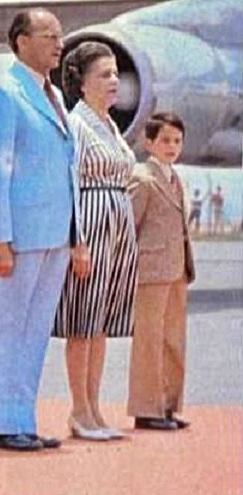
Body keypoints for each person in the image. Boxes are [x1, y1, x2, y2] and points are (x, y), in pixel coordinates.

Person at [0, 9, 81, 452]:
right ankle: (0, 422)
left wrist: (75, 234)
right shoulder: (6, 91)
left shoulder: (53, 94)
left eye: (60, 36)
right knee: (8, 327)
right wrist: (1, 238)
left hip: (56, 231)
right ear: (21, 41)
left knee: (36, 330)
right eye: (48, 36)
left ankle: (22, 418)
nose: (58, 44)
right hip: (21, 233)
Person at [53, 41, 138, 441]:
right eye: (104, 75)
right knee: (83, 320)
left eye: (115, 74)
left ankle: (94, 408)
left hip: (117, 222)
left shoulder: (109, 125)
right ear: (82, 83)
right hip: (91, 220)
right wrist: (77, 240)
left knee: (100, 321)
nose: (114, 81)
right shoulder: (76, 124)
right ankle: (79, 410)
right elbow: (68, 182)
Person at [127, 112, 195, 431]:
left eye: (177, 141)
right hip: (151, 272)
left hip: (177, 270)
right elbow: (129, 227)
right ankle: (146, 408)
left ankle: (168, 405)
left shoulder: (175, 178)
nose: (172, 147)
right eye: (165, 140)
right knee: (149, 341)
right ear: (149, 142)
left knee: (173, 341)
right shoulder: (143, 178)